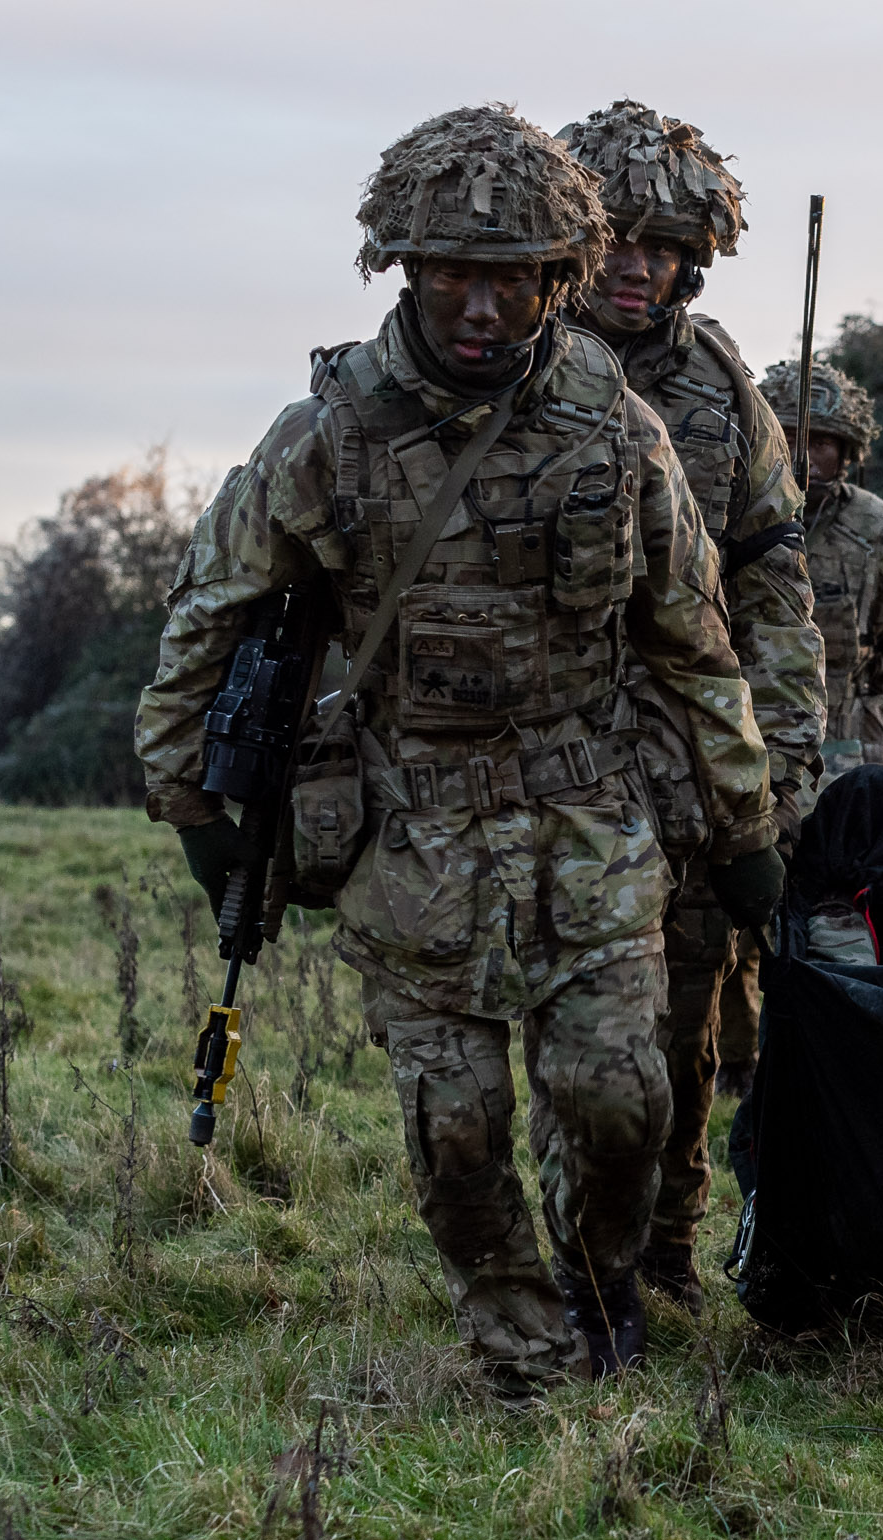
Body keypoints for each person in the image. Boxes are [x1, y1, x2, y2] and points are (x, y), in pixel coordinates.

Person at [135, 105, 780, 1396]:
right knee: (459, 1122)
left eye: (511, 278)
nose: (480, 306)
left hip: (588, 812)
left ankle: (604, 1296)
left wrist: (749, 824)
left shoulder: (618, 430)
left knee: (620, 1097)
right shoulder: (328, 435)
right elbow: (206, 617)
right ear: (406, 270)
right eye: (451, 274)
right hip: (412, 827)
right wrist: (196, 811)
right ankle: (516, 1335)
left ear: (557, 281)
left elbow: (694, 642)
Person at [554, 99, 824, 1315]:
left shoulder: (725, 389)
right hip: (540, 750)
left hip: (690, 757)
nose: (638, 266)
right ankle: (567, 1247)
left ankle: (664, 1242)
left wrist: (786, 766)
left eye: (663, 248)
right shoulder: (510, 356)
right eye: (619, 239)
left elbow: (777, 588)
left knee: (680, 1017)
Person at [759, 358, 883, 802]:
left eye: (820, 442)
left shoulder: (881, 540)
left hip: (849, 750)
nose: (801, 455)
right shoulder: (720, 520)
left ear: (847, 452)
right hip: (743, 740)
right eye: (786, 437)